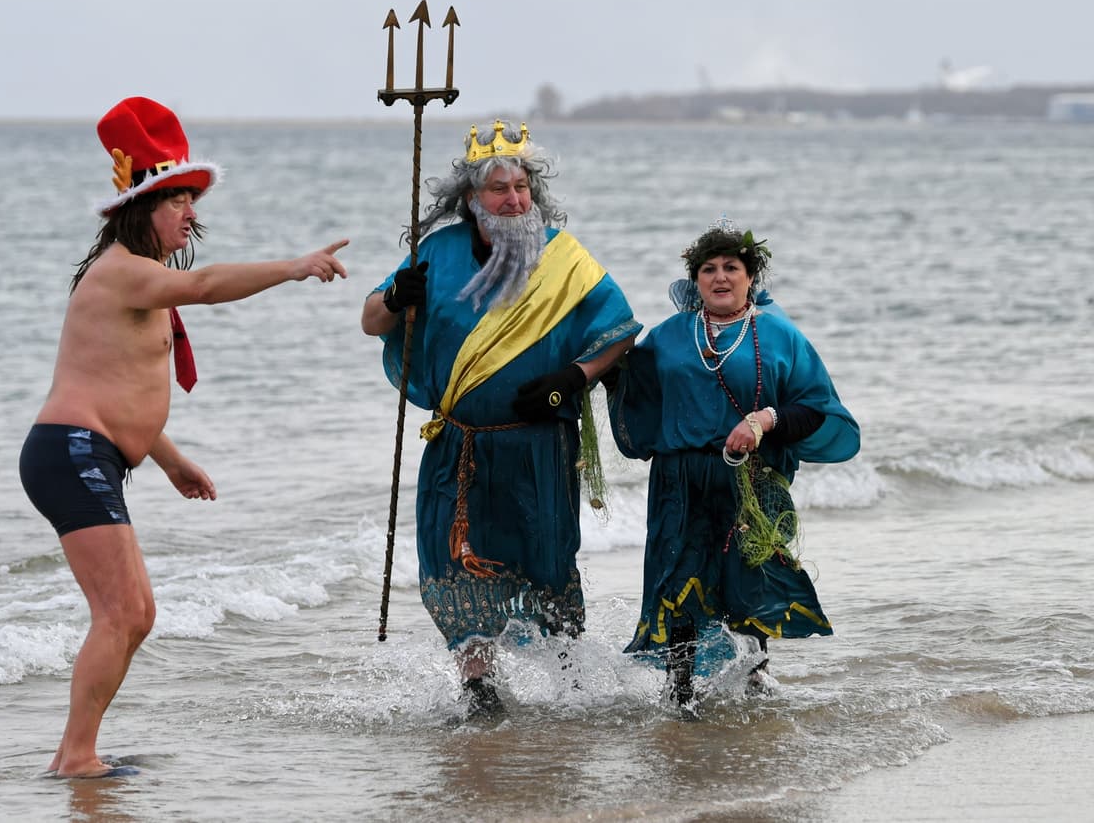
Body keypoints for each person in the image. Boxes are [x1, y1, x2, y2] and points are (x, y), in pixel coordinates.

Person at [19, 96, 348, 778]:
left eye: (194, 201)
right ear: (145, 206)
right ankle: (73, 757)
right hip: (72, 452)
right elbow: (202, 283)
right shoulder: (125, 270)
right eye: (181, 202)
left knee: (135, 613)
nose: (193, 214)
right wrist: (293, 266)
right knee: (124, 610)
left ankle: (77, 750)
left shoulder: (139, 278)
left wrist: (169, 459)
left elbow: (120, 384)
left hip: (90, 450)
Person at [361, 120, 640, 717]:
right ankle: (479, 686)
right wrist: (394, 298)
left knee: (547, 557)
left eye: (521, 186)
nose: (513, 199)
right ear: (470, 200)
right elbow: (370, 322)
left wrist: (575, 378)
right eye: (498, 189)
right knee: (450, 557)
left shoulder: (563, 256)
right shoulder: (434, 252)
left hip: (538, 444)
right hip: (457, 445)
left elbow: (619, 331)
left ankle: (572, 682)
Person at [604, 219, 859, 709]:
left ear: (750, 276)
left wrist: (764, 419)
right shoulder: (669, 335)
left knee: (747, 578)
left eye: (731, 268)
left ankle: (754, 682)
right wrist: (598, 361)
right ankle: (679, 694)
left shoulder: (780, 335)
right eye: (709, 269)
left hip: (750, 479)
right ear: (694, 279)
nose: (720, 277)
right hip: (680, 479)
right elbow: (634, 390)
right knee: (678, 577)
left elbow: (816, 409)